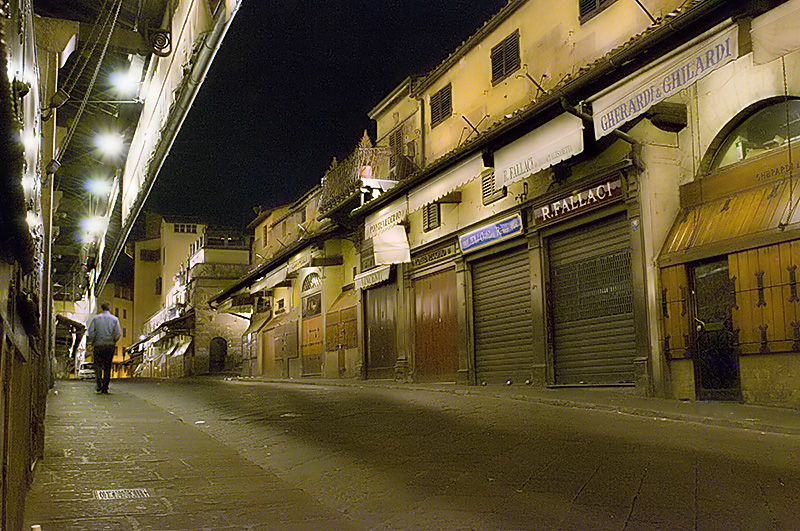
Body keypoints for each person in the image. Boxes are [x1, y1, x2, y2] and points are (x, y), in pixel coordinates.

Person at [87, 301, 121, 394]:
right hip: (109, 345)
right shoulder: (115, 319)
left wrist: (94, 341)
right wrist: (113, 341)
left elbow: (91, 331)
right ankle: (105, 387)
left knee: (97, 365)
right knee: (107, 366)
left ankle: (99, 384)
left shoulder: (95, 319)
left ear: (102, 308)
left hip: (98, 345)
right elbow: (118, 333)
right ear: (110, 308)